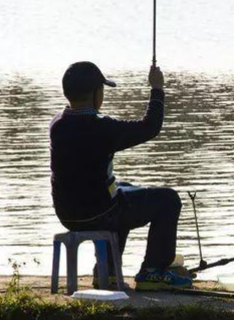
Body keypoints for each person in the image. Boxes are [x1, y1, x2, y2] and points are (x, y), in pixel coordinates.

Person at [49, 62, 191, 291]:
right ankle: (153, 272)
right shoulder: (102, 128)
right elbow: (150, 127)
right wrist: (157, 88)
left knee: (123, 188)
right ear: (96, 93)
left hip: (67, 214)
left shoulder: (57, 124)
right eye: (102, 90)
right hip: (99, 213)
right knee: (168, 200)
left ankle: (109, 272)